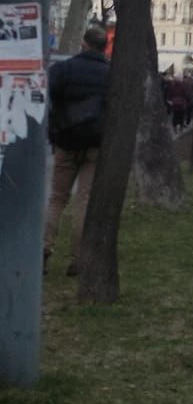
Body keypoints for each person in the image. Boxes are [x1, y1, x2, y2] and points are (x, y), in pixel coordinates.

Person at [44, 26, 111, 276]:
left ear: (84, 44)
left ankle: (44, 249)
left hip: (66, 141)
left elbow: (47, 94)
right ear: (104, 47)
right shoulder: (111, 73)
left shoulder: (64, 69)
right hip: (95, 143)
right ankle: (78, 259)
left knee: (57, 199)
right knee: (84, 201)